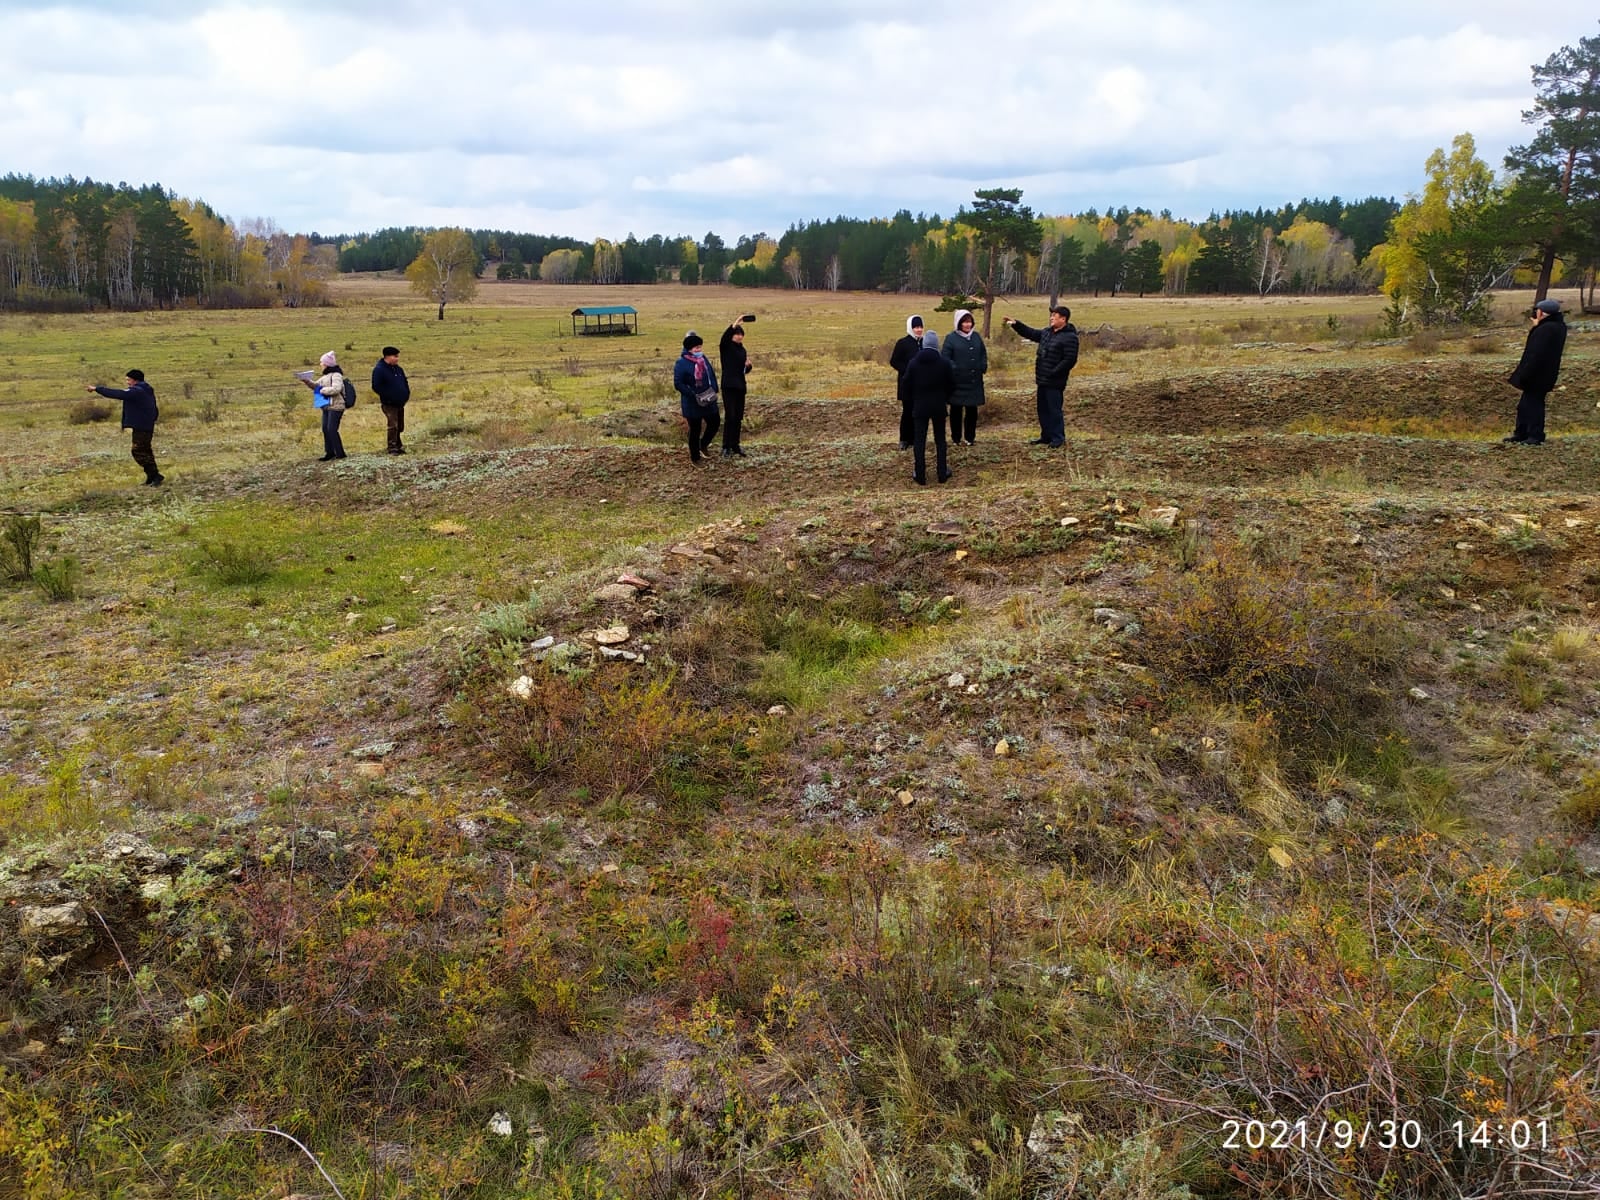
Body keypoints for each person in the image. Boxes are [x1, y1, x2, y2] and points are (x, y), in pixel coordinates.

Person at [1003, 305, 1079, 447]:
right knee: (1042, 410)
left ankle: (1058, 439)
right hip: (1042, 380)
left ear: (1063, 319)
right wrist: (1016, 324)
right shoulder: (1047, 332)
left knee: (1054, 410)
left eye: (1054, 316)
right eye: (1051, 316)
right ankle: (1046, 436)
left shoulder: (1070, 337)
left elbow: (1070, 360)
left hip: (1055, 382)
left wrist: (1053, 372)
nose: (1051, 318)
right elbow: (1031, 333)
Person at [1504, 298, 1568, 446]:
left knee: (1533, 406)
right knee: (1525, 405)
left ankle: (1534, 436)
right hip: (1545, 373)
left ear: (1542, 313)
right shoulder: (1557, 326)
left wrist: (1525, 374)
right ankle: (1522, 433)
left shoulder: (1546, 329)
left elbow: (1535, 353)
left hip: (1537, 374)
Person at [86, 369, 162, 486]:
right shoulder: (145, 389)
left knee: (138, 451)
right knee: (145, 451)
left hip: (142, 425)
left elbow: (119, 394)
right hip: (144, 424)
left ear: (135, 380)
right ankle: (151, 477)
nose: (127, 382)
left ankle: (155, 475)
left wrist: (97, 389)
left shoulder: (137, 391)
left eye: (128, 380)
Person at [903, 330, 955, 485]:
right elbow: (952, 384)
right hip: (939, 405)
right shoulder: (944, 362)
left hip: (920, 406)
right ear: (936, 345)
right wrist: (945, 398)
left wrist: (914, 398)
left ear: (923, 344)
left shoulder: (914, 362)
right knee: (940, 440)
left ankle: (920, 475)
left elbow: (906, 384)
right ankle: (942, 473)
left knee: (919, 441)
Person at [942, 308, 988, 446]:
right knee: (956, 411)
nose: (967, 325)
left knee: (972, 411)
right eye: (964, 322)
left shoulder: (976, 337)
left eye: (969, 322)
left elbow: (983, 354)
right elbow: (945, 358)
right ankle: (956, 438)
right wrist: (955, 369)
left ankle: (970, 438)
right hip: (957, 382)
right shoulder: (951, 338)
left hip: (974, 381)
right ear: (958, 323)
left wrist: (982, 366)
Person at [673, 332, 720, 464]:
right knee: (695, 429)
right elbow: (678, 383)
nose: (699, 350)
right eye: (696, 348)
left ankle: (703, 445)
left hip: (708, 398)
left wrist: (715, 389)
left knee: (715, 422)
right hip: (692, 403)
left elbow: (711, 374)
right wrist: (692, 395)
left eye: (700, 347)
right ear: (689, 349)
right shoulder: (681, 363)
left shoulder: (703, 359)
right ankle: (695, 458)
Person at [889, 315, 930, 450]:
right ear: (910, 328)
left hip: (922, 385)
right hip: (907, 384)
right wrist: (908, 370)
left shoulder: (925, 342)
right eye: (916, 327)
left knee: (919, 412)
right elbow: (894, 361)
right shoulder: (903, 343)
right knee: (907, 412)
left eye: (920, 327)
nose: (918, 330)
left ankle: (916, 438)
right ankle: (904, 439)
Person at [301, 351, 347, 461]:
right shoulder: (325, 376)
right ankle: (329, 453)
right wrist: (307, 381)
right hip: (326, 406)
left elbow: (337, 389)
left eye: (322, 362)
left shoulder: (336, 375)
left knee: (331, 429)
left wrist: (323, 390)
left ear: (327, 364)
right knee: (325, 429)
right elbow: (316, 386)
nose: (320, 364)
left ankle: (340, 453)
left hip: (336, 406)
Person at [718, 320, 753, 457]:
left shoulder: (742, 350)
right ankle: (726, 446)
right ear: (732, 335)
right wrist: (735, 323)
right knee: (730, 416)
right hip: (729, 386)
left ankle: (735, 445)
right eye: (736, 334)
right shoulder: (726, 347)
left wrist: (748, 367)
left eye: (740, 334)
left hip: (740, 386)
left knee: (738, 417)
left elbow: (742, 369)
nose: (738, 336)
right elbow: (724, 338)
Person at [370, 345, 410, 455]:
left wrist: (406, 394)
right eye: (395, 356)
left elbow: (404, 382)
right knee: (393, 425)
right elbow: (376, 386)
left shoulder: (398, 369)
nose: (397, 358)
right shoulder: (379, 370)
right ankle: (392, 448)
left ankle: (398, 446)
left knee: (400, 426)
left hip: (400, 402)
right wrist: (389, 396)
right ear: (387, 357)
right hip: (389, 403)